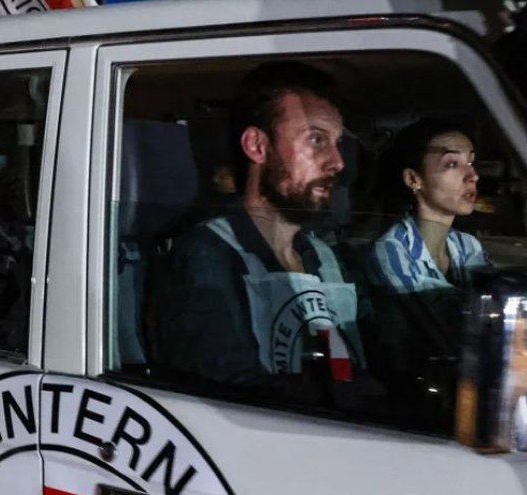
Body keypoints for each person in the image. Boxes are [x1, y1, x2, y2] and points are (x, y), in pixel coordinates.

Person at [154, 61, 374, 403]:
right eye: (316, 139)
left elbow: (372, 361)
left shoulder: (326, 256)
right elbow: (226, 398)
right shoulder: (208, 257)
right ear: (257, 146)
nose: (338, 162)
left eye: (336, 142)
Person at [365, 119, 488, 293]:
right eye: (452, 164)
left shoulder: (469, 246)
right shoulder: (392, 251)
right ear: (413, 179)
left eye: (471, 163)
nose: (473, 176)